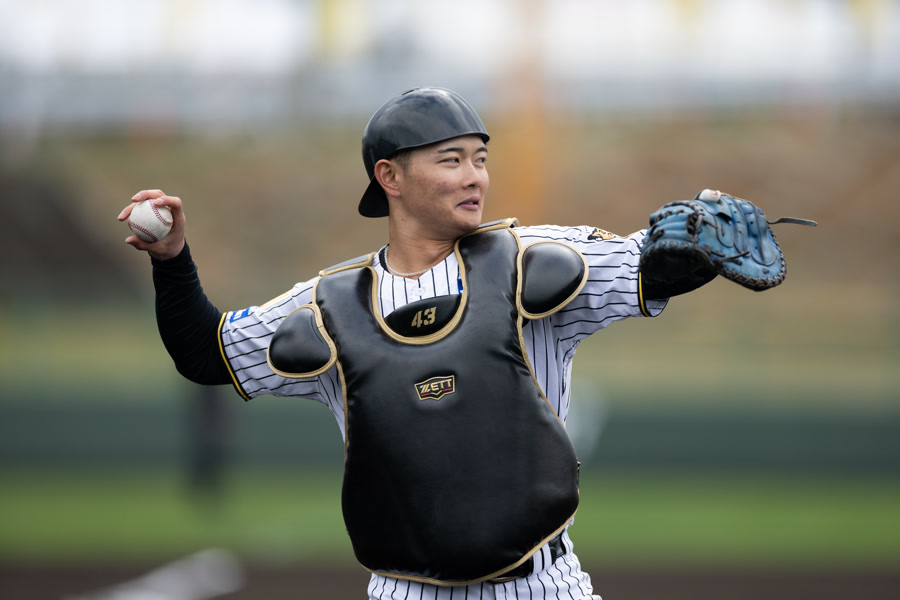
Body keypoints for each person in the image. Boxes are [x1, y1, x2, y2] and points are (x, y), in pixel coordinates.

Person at [117, 87, 720, 599]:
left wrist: (701, 241)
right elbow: (205, 352)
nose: (474, 176)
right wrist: (171, 260)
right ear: (390, 177)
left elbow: (651, 263)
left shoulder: (532, 263)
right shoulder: (329, 307)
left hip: (542, 586)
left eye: (480, 159)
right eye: (451, 160)